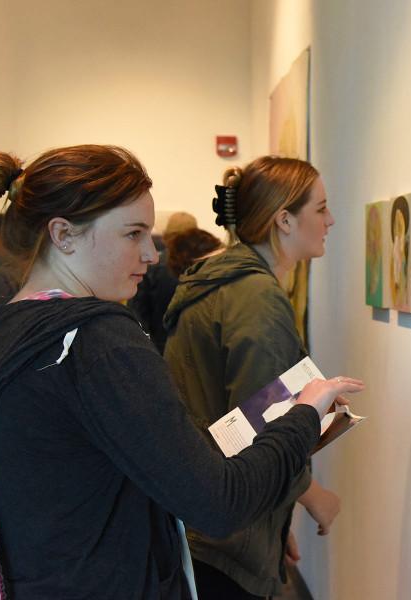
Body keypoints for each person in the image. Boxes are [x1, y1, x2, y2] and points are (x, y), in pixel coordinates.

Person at [0, 145, 363, 599]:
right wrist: (304, 416)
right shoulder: (99, 341)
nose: (151, 254)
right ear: (63, 235)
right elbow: (217, 503)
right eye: (133, 234)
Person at [163, 157, 342, 599]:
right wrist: (313, 495)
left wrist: (274, 528)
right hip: (222, 533)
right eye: (320, 209)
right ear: (284, 219)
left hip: (212, 520)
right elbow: (259, 427)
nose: (330, 220)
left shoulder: (227, 284)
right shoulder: (256, 296)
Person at [128, 212, 198, 353]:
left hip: (160, 349)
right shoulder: (208, 266)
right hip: (195, 352)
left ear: (167, 236)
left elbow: (137, 313)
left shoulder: (151, 266)